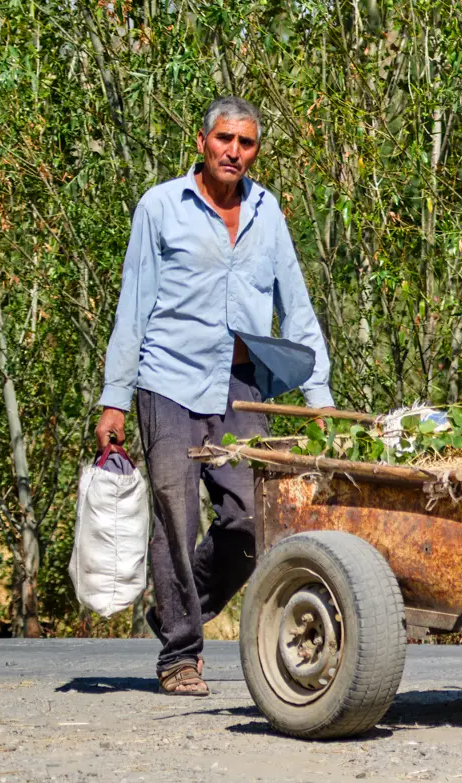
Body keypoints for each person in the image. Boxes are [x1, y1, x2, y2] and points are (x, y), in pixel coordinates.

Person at [95, 97, 336, 695]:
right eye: (225, 139)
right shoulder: (161, 208)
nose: (234, 151)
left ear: (255, 151)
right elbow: (133, 306)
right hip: (168, 382)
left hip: (240, 387)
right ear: (203, 142)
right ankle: (180, 654)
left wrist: (319, 396)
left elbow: (296, 305)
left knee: (255, 518)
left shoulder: (266, 210)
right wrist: (114, 398)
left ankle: (179, 609)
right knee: (175, 517)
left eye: (246, 143)